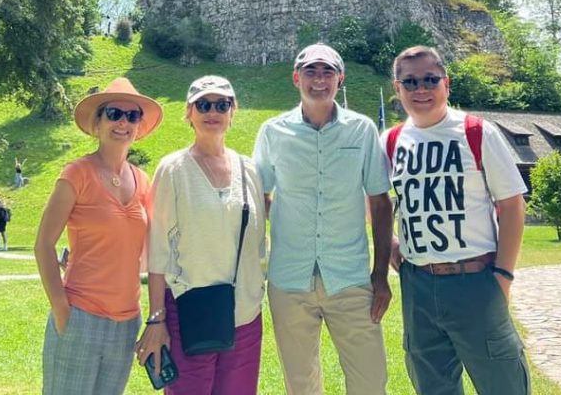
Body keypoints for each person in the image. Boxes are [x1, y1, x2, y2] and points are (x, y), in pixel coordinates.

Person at [386, 46, 530, 395]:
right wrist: (391, 247)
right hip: (419, 285)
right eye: (411, 82)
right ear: (398, 89)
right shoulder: (390, 141)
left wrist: (503, 275)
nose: (421, 89)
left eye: (430, 79)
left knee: (504, 384)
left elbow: (512, 205)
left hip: (475, 279)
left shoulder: (476, 131)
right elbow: (376, 202)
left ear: (446, 83)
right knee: (432, 386)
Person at [253, 44, 392, 395]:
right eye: (311, 72)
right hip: (289, 280)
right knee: (300, 384)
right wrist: (288, 223)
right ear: (296, 78)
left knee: (370, 381)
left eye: (327, 72)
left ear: (340, 79)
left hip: (349, 277)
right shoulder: (272, 132)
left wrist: (380, 275)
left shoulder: (361, 130)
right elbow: (260, 197)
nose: (319, 80)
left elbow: (380, 202)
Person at [137, 76, 266, 395]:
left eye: (222, 105)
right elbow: (158, 251)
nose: (213, 112)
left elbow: (258, 244)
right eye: (203, 105)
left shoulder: (248, 169)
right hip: (189, 311)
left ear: (232, 111)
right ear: (189, 113)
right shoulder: (173, 170)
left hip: (244, 313)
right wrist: (156, 319)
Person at [35, 77, 162, 395]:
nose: (123, 122)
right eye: (114, 113)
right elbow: (43, 244)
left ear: (138, 126)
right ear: (98, 122)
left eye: (132, 116)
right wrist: (61, 310)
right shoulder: (76, 174)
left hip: (125, 324)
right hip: (80, 317)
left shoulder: (144, 181)